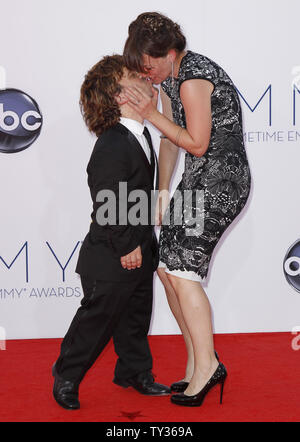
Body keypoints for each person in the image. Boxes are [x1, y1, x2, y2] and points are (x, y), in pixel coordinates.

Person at [123, 12, 251, 407]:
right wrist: (162, 192)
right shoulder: (169, 78)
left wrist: (151, 114)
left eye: (149, 65)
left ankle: (209, 366)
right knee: (166, 268)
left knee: (183, 271)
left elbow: (195, 142)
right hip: (197, 181)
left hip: (223, 182)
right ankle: (199, 361)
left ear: (170, 52)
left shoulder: (193, 74)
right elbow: (169, 140)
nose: (146, 73)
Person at [52, 54, 170, 410]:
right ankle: (67, 375)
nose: (144, 77)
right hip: (112, 254)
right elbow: (107, 198)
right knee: (96, 322)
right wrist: (126, 244)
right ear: (120, 96)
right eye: (134, 75)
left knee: (135, 317)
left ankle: (133, 372)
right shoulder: (112, 142)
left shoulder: (141, 134)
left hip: (137, 248)